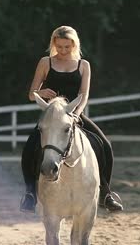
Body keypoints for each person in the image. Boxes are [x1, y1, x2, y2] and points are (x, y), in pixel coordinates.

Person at [20, 26, 123, 212]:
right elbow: (31, 94)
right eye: (59, 46)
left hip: (74, 114)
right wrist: (40, 92)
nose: (63, 51)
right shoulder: (45, 62)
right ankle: (29, 193)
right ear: (54, 44)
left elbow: (83, 96)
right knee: (29, 147)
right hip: (52, 117)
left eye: (67, 46)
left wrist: (75, 114)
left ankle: (105, 193)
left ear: (74, 44)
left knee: (105, 145)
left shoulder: (83, 65)